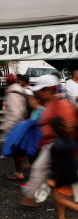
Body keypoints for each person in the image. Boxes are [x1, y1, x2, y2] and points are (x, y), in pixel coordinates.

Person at [20, 74, 77, 206]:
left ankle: (30, 197)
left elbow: (68, 128)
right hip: (53, 145)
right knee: (45, 170)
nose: (39, 93)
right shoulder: (52, 103)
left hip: (59, 146)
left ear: (49, 90)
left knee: (44, 169)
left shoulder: (62, 104)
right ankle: (30, 197)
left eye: (41, 90)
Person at [46, 116, 78, 219]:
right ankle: (61, 218)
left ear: (54, 129)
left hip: (63, 176)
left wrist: (53, 179)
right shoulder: (70, 139)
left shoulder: (56, 146)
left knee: (59, 199)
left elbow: (58, 165)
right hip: (71, 173)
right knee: (60, 196)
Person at [0, 74, 27, 180]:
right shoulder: (20, 89)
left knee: (16, 151)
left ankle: (19, 173)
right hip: (22, 123)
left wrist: (8, 127)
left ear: (7, 82)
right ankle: (22, 169)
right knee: (19, 150)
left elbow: (14, 112)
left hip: (16, 125)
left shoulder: (12, 93)